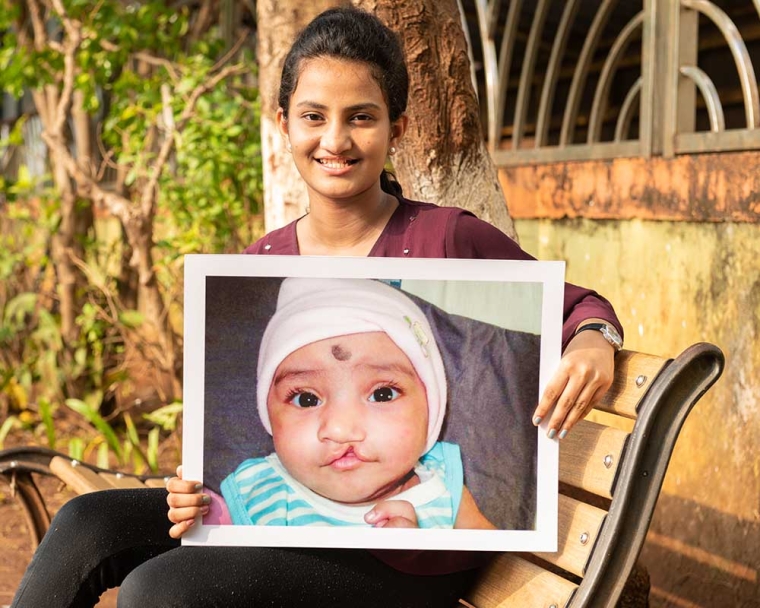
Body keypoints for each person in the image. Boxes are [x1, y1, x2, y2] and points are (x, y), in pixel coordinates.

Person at [11, 6, 623, 608]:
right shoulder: (265, 256)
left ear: (397, 129)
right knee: (87, 523)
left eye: (361, 117)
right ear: (284, 123)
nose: (335, 140)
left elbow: (575, 306)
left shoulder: (446, 238)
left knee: (160, 588)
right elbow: (211, 454)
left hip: (399, 563)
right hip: (288, 528)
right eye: (313, 116)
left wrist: (594, 336)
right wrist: (188, 490)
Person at [218, 277, 492, 530]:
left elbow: (504, 571)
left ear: (431, 408)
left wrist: (427, 562)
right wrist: (189, 515)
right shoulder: (255, 492)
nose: (340, 429)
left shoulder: (444, 488)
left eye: (382, 394)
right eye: (307, 399)